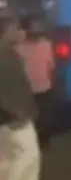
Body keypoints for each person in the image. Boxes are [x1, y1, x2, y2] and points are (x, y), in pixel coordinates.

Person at [0, 18, 41, 180]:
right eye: (15, 28)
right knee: (28, 154)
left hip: (9, 116)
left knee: (7, 159)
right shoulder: (4, 56)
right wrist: (15, 111)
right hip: (14, 115)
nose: (20, 31)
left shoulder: (8, 53)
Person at [16, 15, 55, 149]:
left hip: (38, 89)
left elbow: (50, 67)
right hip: (32, 90)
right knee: (37, 119)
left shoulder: (19, 47)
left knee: (40, 118)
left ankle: (40, 142)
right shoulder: (19, 48)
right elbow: (50, 68)